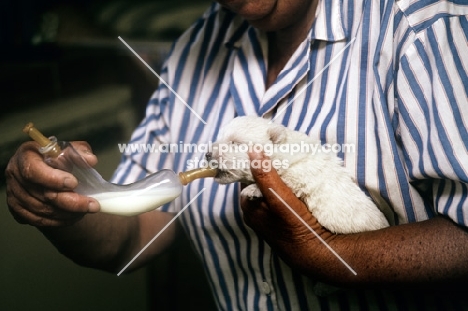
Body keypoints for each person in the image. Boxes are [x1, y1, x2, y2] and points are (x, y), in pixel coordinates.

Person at [6, 0, 468, 309]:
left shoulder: (423, 27)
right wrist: (62, 206)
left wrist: (335, 258)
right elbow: (131, 238)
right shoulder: (192, 50)